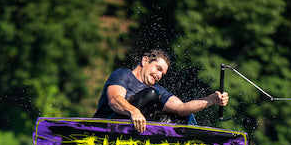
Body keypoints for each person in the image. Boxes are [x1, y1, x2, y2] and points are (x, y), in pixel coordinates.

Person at [93, 49, 229, 133]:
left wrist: (212, 99)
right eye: (158, 68)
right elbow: (114, 99)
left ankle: (187, 140)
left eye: (162, 74)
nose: (159, 75)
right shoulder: (123, 74)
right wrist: (134, 111)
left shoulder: (158, 90)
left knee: (185, 116)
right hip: (106, 125)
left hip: (134, 133)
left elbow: (182, 107)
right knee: (151, 95)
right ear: (145, 61)